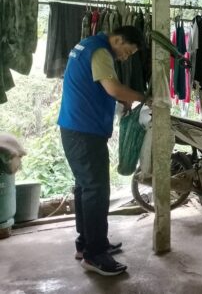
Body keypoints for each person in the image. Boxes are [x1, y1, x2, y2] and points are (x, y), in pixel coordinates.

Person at [57, 26, 147, 276]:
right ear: (117, 39)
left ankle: (86, 243)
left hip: (75, 127)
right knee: (96, 190)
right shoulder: (100, 52)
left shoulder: (87, 45)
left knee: (85, 187)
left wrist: (122, 98)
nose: (125, 58)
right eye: (127, 51)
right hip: (84, 131)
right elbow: (113, 88)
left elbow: (97, 86)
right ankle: (95, 255)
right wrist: (144, 97)